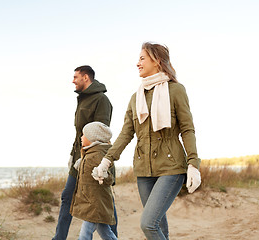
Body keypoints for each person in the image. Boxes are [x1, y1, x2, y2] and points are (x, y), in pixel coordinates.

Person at [92, 42, 201, 240]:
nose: (137, 63)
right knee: (159, 227)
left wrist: (193, 164)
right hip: (144, 170)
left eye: (142, 58)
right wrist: (106, 161)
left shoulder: (176, 90)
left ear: (157, 61)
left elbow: (187, 128)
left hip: (171, 167)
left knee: (148, 224)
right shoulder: (136, 98)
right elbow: (126, 133)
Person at [52, 65, 118, 240]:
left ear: (86, 77)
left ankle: (114, 236)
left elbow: (102, 133)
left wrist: (93, 159)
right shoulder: (82, 99)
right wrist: (73, 155)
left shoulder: (101, 100)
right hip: (78, 157)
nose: (72, 80)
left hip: (93, 159)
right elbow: (80, 133)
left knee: (103, 200)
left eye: (75, 77)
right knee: (67, 196)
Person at [70, 121, 117, 240]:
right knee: (105, 232)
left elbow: (109, 179)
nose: (81, 137)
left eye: (84, 135)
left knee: (85, 234)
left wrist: (103, 174)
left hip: (95, 203)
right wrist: (82, 164)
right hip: (91, 201)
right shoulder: (90, 154)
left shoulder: (98, 155)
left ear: (92, 138)